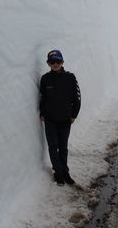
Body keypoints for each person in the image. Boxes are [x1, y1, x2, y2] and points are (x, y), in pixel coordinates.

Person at [39, 49, 81, 186]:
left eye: (58, 61)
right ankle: (58, 173)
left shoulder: (70, 78)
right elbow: (42, 98)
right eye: (52, 62)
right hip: (50, 120)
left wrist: (74, 114)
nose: (55, 64)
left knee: (63, 147)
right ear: (48, 63)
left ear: (62, 62)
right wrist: (42, 113)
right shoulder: (45, 79)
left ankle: (65, 172)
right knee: (53, 147)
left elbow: (77, 98)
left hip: (65, 120)